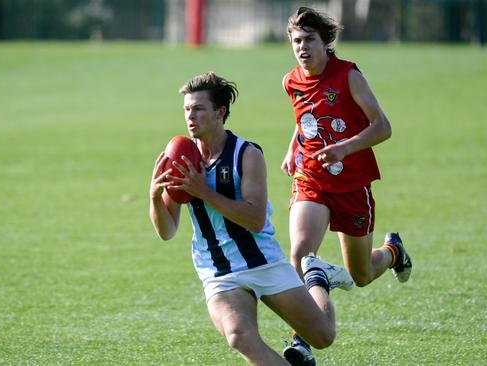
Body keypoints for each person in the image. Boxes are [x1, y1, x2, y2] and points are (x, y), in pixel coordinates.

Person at [149, 72, 353, 366]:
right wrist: (154, 196)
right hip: (219, 270)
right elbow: (167, 231)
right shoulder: (181, 156)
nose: (190, 116)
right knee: (239, 336)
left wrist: (204, 191)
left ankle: (317, 278)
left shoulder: (247, 154)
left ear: (220, 113)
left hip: (263, 261)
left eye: (198, 109)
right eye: (186, 109)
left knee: (323, 336)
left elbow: (255, 219)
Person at [280, 7, 413, 363]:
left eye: (309, 40)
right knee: (300, 254)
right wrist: (293, 148)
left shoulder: (349, 75)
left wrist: (344, 148)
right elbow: (304, 118)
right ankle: (301, 341)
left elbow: (382, 126)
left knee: (362, 274)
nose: (302, 47)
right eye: (296, 41)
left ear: (326, 43)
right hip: (311, 179)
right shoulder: (291, 80)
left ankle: (394, 252)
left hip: (353, 186)